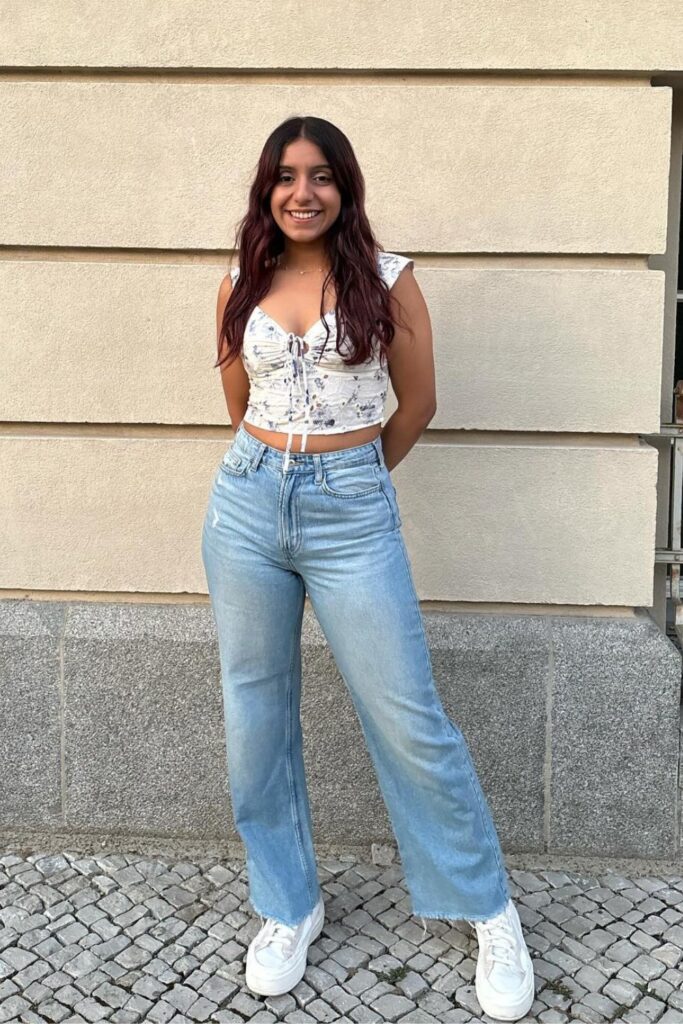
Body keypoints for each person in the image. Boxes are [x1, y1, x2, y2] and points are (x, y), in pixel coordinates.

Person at [201, 115, 534, 1022]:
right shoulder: (240, 280)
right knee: (253, 712)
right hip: (244, 504)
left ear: (345, 188)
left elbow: (418, 402)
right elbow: (238, 399)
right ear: (266, 188)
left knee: (407, 715)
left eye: (320, 176)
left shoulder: (389, 280)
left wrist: (343, 479)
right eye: (284, 176)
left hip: (350, 506)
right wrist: (283, 474)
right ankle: (287, 904)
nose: (301, 192)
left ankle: (485, 909)